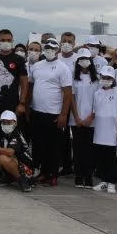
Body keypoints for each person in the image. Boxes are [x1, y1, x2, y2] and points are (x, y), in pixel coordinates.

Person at [28, 39, 73, 186]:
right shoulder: (37, 66)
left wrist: (63, 115)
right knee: (39, 144)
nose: (49, 50)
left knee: (53, 146)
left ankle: (52, 174)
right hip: (37, 111)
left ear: (57, 49)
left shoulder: (63, 68)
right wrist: (28, 106)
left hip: (54, 113)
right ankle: (42, 172)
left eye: (52, 48)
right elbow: (30, 86)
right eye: (46, 47)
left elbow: (67, 93)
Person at [91, 67, 117, 193]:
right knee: (101, 156)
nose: (105, 80)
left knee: (112, 157)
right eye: (103, 77)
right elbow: (95, 111)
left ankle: (112, 181)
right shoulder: (97, 93)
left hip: (113, 130)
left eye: (108, 78)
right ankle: (103, 181)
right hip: (100, 130)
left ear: (113, 79)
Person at [0, 110, 32, 191]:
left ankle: (23, 180)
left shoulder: (16, 134)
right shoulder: (7, 134)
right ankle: (9, 177)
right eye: (4, 122)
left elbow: (10, 152)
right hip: (17, 163)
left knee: (4, 157)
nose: (6, 125)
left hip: (27, 170)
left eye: (9, 122)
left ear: (15, 123)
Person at [70, 49, 99, 189]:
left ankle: (88, 176)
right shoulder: (74, 77)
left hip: (92, 120)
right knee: (77, 148)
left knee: (89, 148)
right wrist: (76, 117)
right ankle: (78, 175)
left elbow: (99, 100)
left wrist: (91, 116)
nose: (84, 61)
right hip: (76, 119)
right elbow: (72, 98)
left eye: (86, 58)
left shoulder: (97, 79)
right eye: (81, 59)